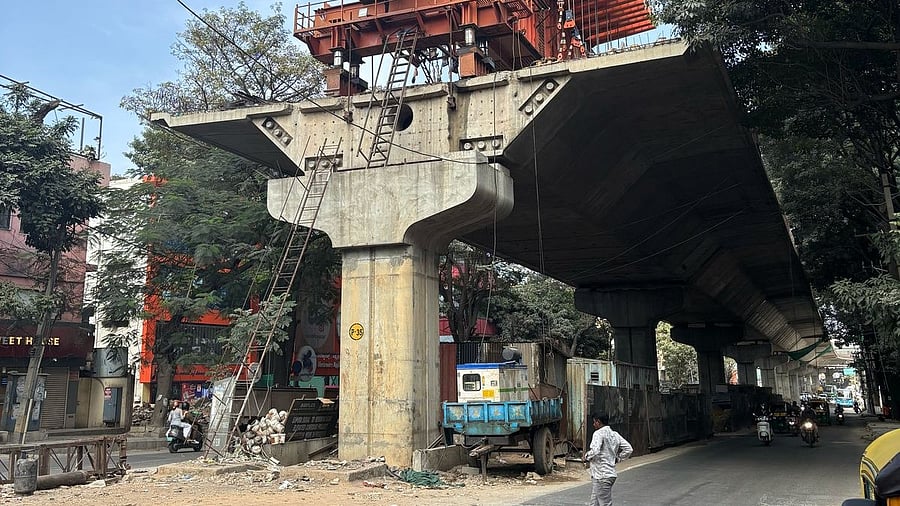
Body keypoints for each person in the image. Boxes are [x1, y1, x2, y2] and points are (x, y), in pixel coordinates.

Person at [583, 412, 633, 506]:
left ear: (598, 422)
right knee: (594, 503)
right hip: (606, 474)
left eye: (594, 422)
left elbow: (595, 450)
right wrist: (617, 459)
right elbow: (629, 449)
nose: (593, 425)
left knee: (605, 504)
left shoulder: (598, 434)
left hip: (602, 475)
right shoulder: (615, 435)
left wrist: (586, 457)